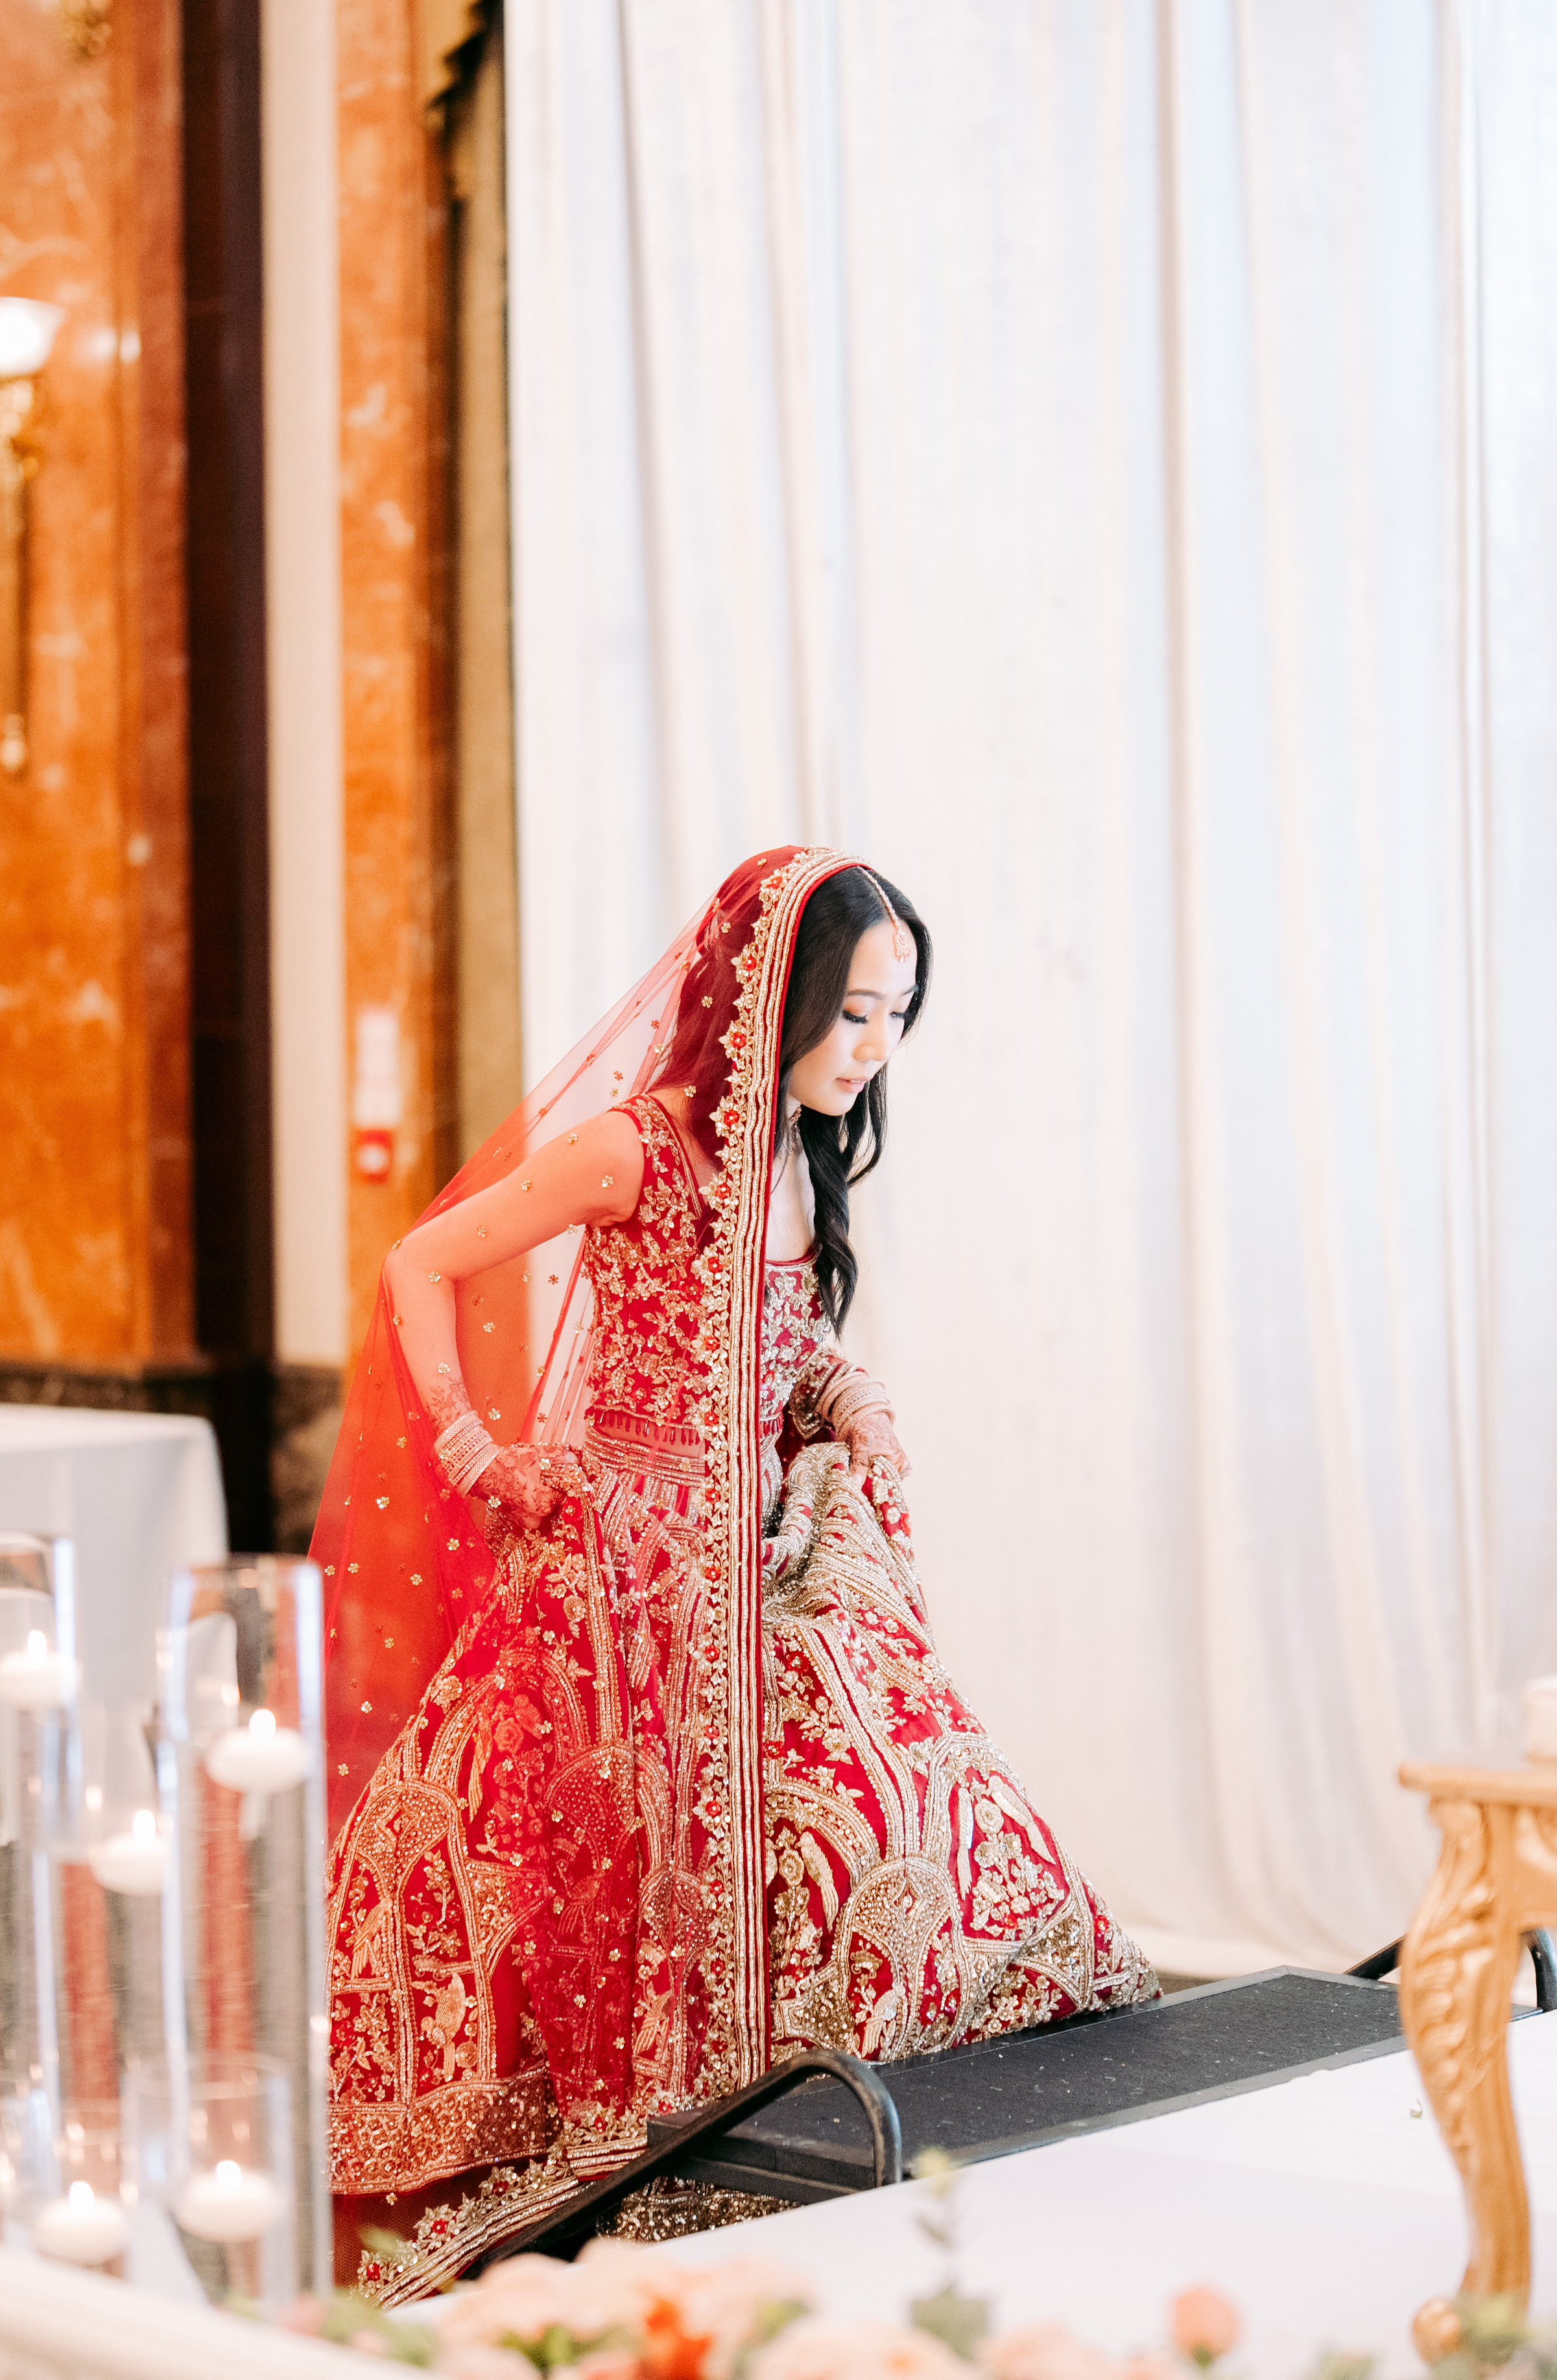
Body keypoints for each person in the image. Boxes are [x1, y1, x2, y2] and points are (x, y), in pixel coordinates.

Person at [321, 849, 1152, 2294]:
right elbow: (422, 1263)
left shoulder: (802, 1153)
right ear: (772, 997)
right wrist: (473, 1450)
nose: (873, 1049)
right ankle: (645, 2133)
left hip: (758, 1561)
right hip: (624, 1581)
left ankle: (816, 2112)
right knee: (595, 1859)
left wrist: (849, 1401)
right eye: (853, 1014)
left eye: (896, 1017)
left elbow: (782, 1352)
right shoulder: (637, 1147)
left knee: (900, 1790)